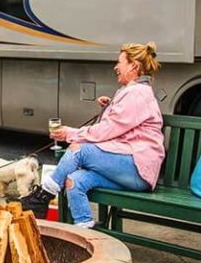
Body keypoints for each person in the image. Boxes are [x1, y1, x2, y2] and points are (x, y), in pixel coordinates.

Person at [21, 42, 165, 227]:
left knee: (78, 150)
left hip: (137, 169)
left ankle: (42, 197)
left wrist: (70, 133)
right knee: (75, 181)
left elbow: (106, 130)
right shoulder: (133, 92)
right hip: (130, 168)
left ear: (133, 66)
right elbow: (119, 126)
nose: (116, 67)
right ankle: (86, 230)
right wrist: (110, 107)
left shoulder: (137, 94)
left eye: (119, 62)